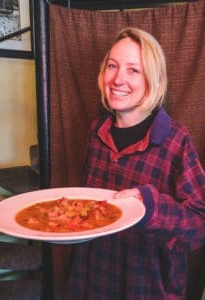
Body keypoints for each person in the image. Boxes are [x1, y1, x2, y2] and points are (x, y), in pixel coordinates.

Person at [64, 27, 205, 299]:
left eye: (133, 70)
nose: (118, 79)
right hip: (93, 281)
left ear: (153, 79)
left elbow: (200, 225)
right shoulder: (96, 132)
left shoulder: (176, 140)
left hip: (147, 288)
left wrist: (150, 206)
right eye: (112, 66)